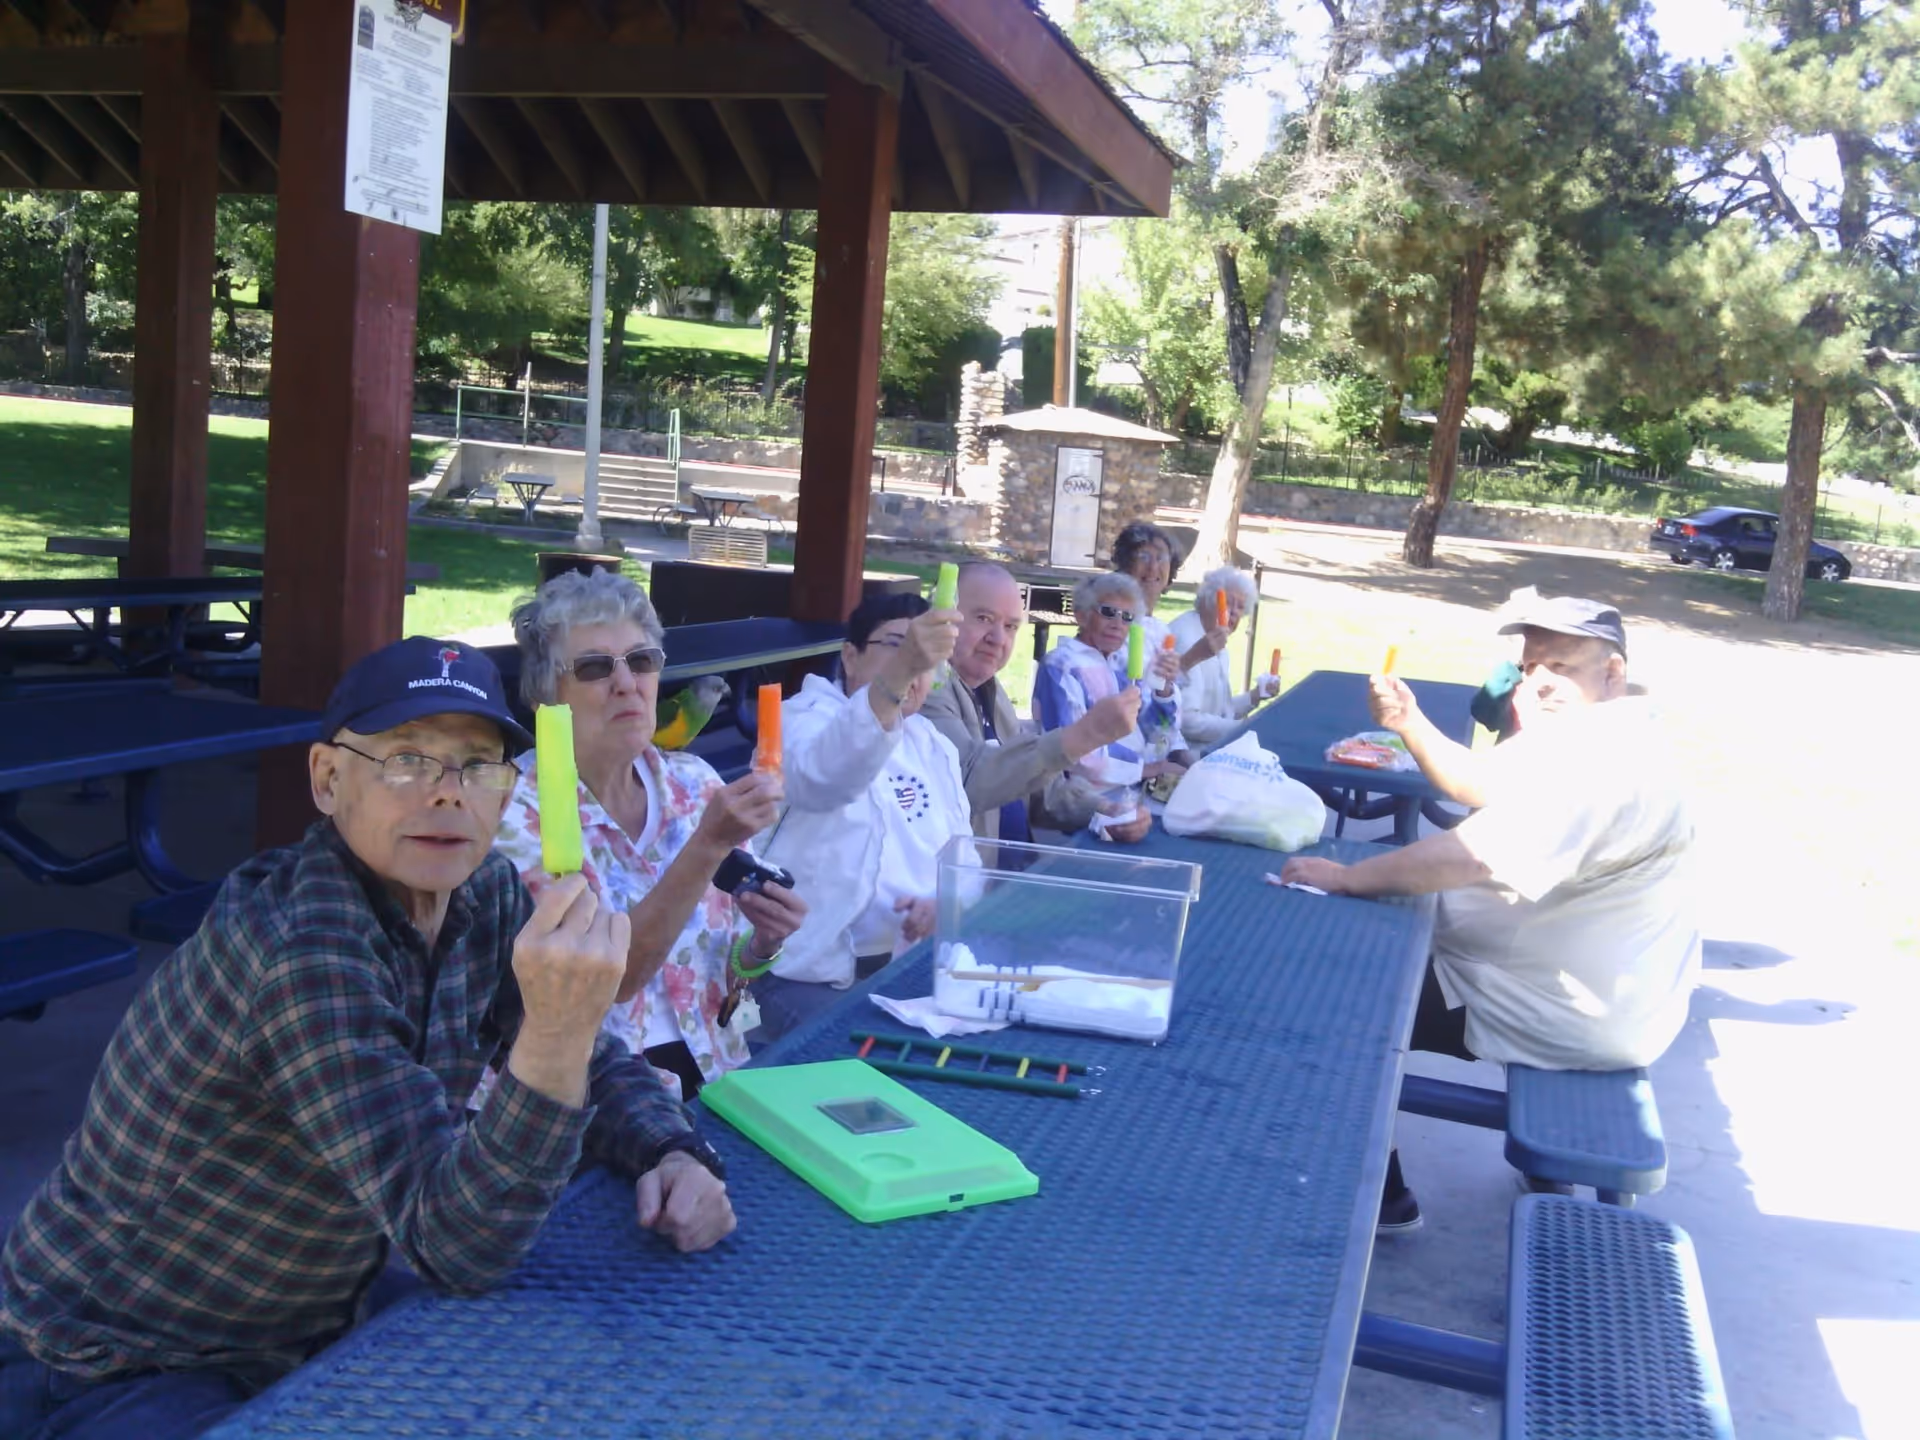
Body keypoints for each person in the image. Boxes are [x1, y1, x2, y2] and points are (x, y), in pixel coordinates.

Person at [0, 637, 736, 1440]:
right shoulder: (299, 947)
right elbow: (460, 1246)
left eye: (478, 765)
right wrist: (557, 1028)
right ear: (327, 778)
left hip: (311, 1312)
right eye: (406, 760)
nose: (449, 795)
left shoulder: (481, 892)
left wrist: (671, 1148)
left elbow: (588, 1055)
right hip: (113, 1356)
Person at [1281, 596, 1699, 1232]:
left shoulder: (1607, 762)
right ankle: (1512, 1171)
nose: (1541, 683)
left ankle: (1374, 1196)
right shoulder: (1595, 732)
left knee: (1335, 994)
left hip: (1564, 1011)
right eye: (1532, 667)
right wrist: (1409, 721)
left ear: (1613, 673)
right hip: (1578, 989)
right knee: (1374, 940)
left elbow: (1469, 858)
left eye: (1563, 666)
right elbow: (1478, 783)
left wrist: (1349, 876)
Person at [493, 570, 809, 1099]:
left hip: (720, 1075)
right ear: (548, 692)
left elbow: (732, 973)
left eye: (641, 660)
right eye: (594, 667)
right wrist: (706, 847)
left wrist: (765, 943)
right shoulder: (513, 811)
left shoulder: (696, 785)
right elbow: (605, 986)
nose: (626, 683)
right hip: (599, 1101)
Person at [752, 591, 968, 1040]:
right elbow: (825, 777)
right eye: (895, 644)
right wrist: (896, 675)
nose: (911, 666)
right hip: (813, 971)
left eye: (921, 656)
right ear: (850, 656)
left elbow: (967, 860)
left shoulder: (933, 744)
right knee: (870, 1068)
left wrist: (946, 902)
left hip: (919, 960)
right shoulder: (802, 720)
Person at [919, 561, 1142, 840]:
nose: (998, 638)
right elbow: (966, 781)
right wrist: (1087, 734)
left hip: (1015, 870)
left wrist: (1105, 809)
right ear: (941, 616)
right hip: (966, 879)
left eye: (1011, 626)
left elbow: (1037, 790)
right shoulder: (923, 689)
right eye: (984, 618)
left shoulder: (990, 689)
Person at [1032, 571, 1183, 844]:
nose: (1117, 624)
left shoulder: (1121, 663)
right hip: (1087, 803)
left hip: (1137, 791)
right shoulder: (1061, 665)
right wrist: (1148, 768)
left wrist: (1164, 688)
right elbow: (1073, 753)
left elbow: (1158, 732)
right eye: (1108, 612)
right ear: (1081, 616)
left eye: (1127, 617)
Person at [1168, 566, 1278, 754]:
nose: (1234, 612)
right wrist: (1244, 728)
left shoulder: (1215, 639)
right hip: (1184, 757)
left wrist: (1254, 696)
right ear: (1206, 602)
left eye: (1240, 607)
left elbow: (1219, 712)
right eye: (1227, 603)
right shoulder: (1188, 640)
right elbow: (1187, 722)